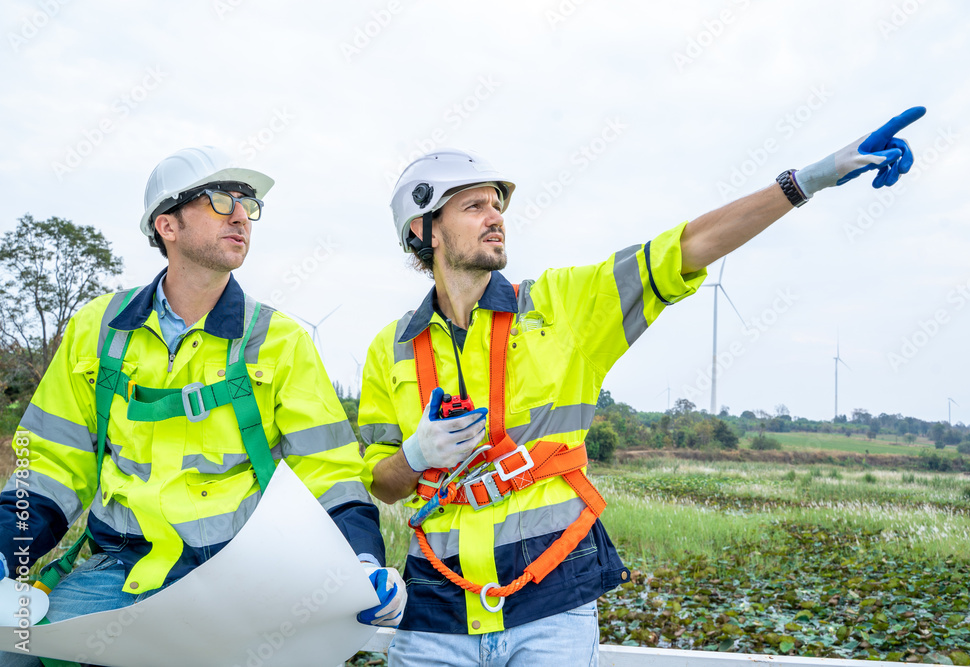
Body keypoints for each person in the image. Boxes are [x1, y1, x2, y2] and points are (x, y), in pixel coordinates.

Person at [358, 107, 926, 666]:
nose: (497, 215)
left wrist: (808, 180)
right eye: (474, 205)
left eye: (498, 203)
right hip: (434, 615)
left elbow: (687, 246)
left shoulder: (563, 306)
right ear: (422, 228)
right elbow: (383, 484)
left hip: (552, 605)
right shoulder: (391, 348)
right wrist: (413, 457)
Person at [0, 146, 405, 665]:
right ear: (167, 225)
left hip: (241, 579)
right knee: (15, 651)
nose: (241, 215)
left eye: (248, 204)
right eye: (220, 200)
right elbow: (52, 463)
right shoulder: (98, 329)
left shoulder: (279, 341)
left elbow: (328, 472)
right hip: (119, 568)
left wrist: (363, 563)